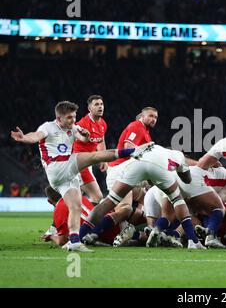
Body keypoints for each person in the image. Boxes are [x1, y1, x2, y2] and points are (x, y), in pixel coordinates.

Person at [10, 100, 152, 252]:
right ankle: (132, 152)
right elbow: (35, 136)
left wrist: (85, 135)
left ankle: (74, 241)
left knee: (75, 207)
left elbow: (82, 137)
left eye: (74, 116)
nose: (73, 120)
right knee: (94, 157)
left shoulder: (74, 126)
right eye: (69, 117)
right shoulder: (48, 127)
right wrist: (24, 137)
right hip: (57, 166)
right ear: (59, 119)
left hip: (65, 176)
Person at [80, 144, 206, 249]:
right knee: (177, 200)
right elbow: (187, 179)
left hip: (136, 165)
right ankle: (193, 241)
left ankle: (80, 236)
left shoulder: (156, 148)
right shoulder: (178, 155)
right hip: (156, 167)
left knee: (109, 201)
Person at [73, 95, 108, 204]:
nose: (100, 107)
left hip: (88, 163)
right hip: (79, 163)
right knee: (97, 196)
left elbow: (101, 141)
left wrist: (103, 159)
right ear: (89, 108)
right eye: (96, 104)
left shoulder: (102, 124)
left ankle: (68, 219)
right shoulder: (82, 124)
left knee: (76, 197)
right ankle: (90, 221)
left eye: (101, 104)